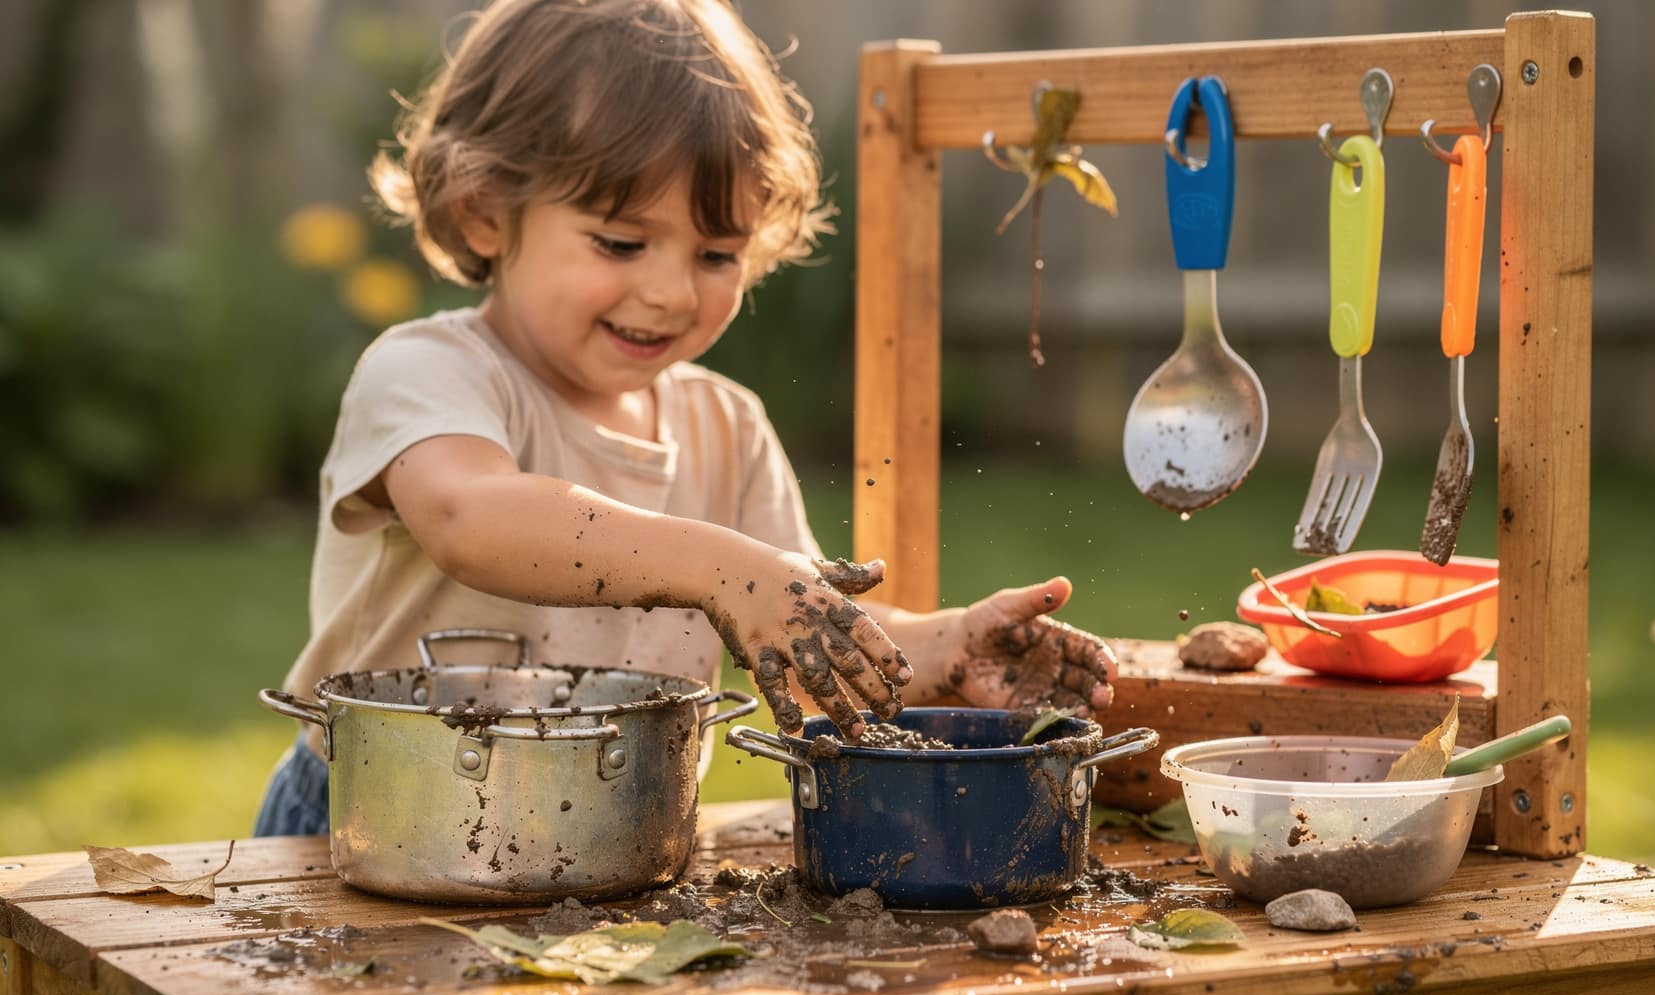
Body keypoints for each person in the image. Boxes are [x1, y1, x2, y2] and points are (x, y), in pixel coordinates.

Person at [254, 0, 1117, 837]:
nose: (670, 291)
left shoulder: (724, 426)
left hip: (618, 837)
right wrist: (720, 567)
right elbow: (468, 515)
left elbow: (802, 623)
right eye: (621, 243)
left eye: (716, 254)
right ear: (486, 210)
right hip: (379, 826)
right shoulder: (429, 372)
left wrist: (951, 648)